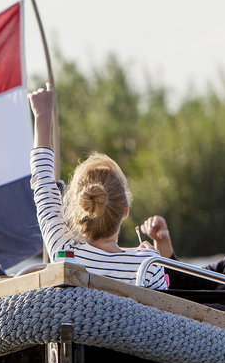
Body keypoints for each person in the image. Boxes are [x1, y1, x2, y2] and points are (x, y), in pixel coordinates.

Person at [29, 88, 168, 289]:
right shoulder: (147, 266)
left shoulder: (65, 251)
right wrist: (152, 258)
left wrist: (42, 116)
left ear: (79, 209)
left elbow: (42, 183)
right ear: (125, 211)